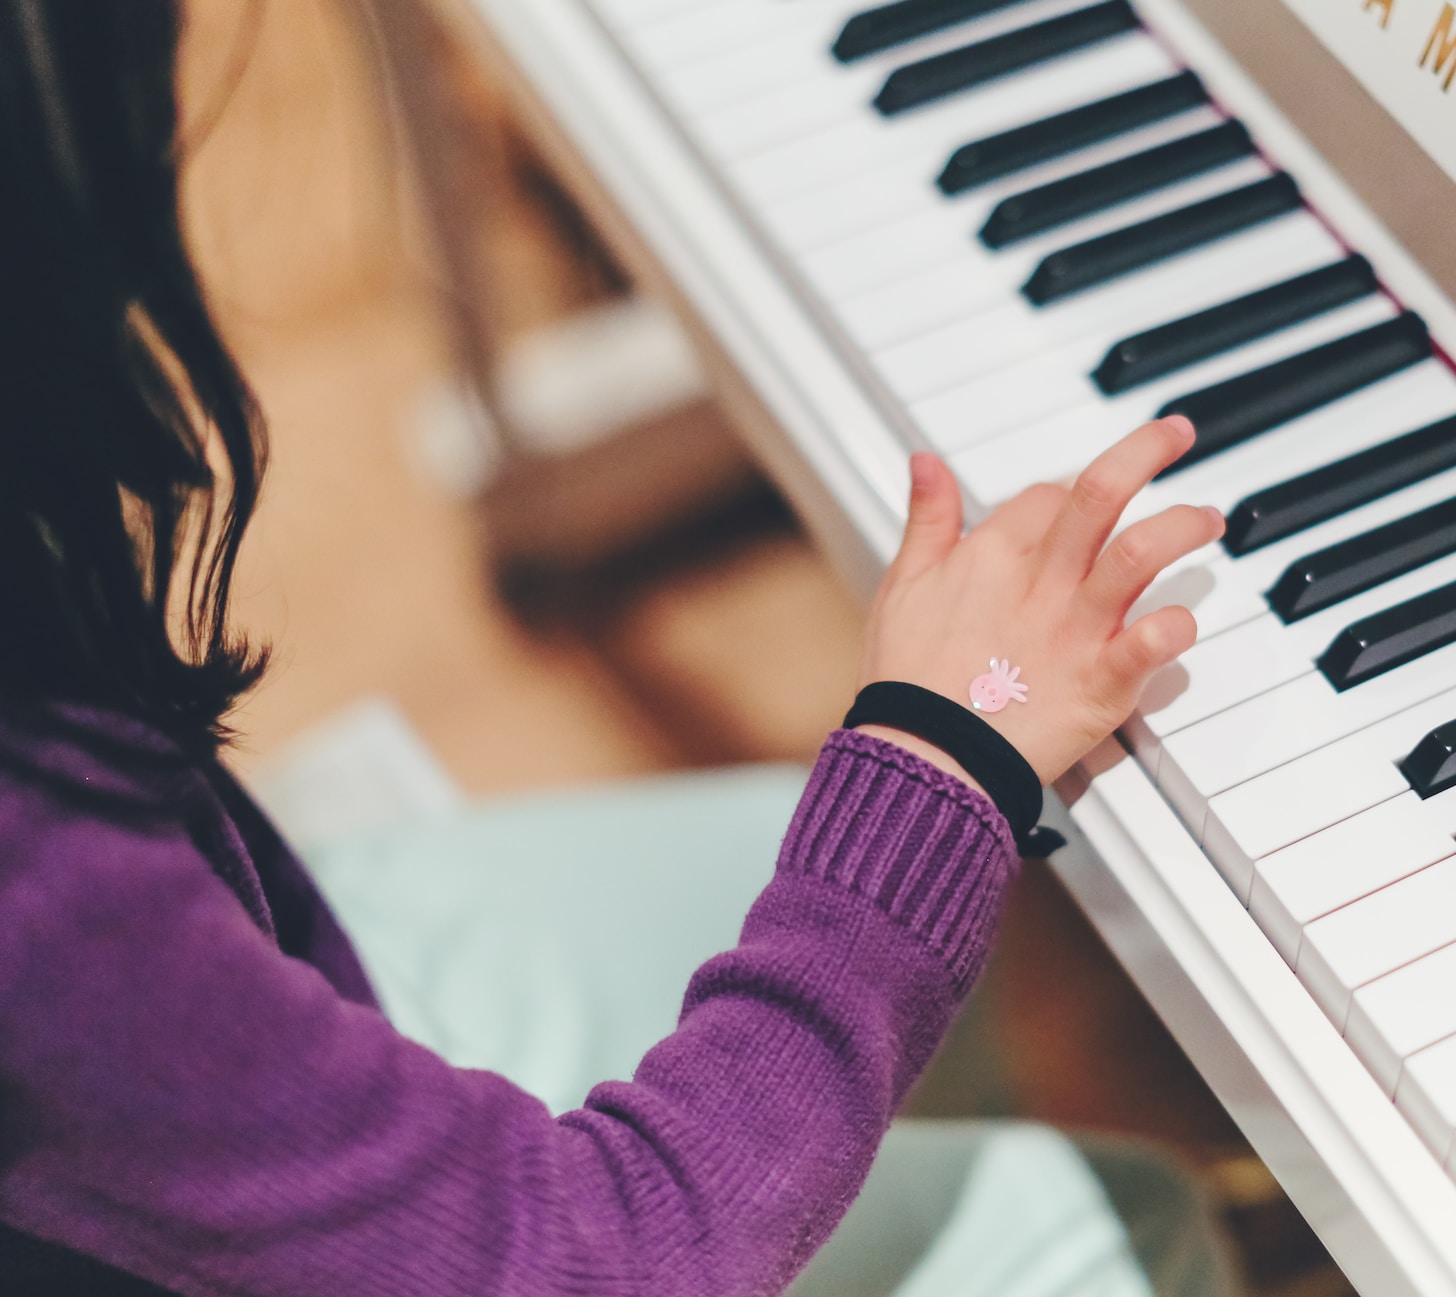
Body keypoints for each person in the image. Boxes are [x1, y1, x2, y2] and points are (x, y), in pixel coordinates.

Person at [0, 3, 1236, 1294]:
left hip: (230, 979)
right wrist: (950, 745)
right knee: (1116, 1217)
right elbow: (604, 1258)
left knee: (812, 870)